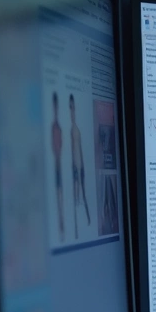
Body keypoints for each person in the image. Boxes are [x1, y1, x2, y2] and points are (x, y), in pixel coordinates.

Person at [69, 94, 90, 238]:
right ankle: (76, 230)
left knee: (83, 195)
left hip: (80, 166)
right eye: (70, 108)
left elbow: (79, 149)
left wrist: (82, 166)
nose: (72, 111)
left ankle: (87, 222)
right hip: (75, 168)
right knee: (76, 198)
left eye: (73, 108)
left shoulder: (76, 129)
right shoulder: (71, 130)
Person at [51, 92, 64, 241]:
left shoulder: (59, 127)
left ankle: (62, 226)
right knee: (57, 195)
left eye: (56, 106)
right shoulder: (54, 127)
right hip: (55, 166)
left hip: (60, 166)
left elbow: (60, 146)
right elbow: (54, 146)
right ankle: (59, 228)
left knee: (61, 195)